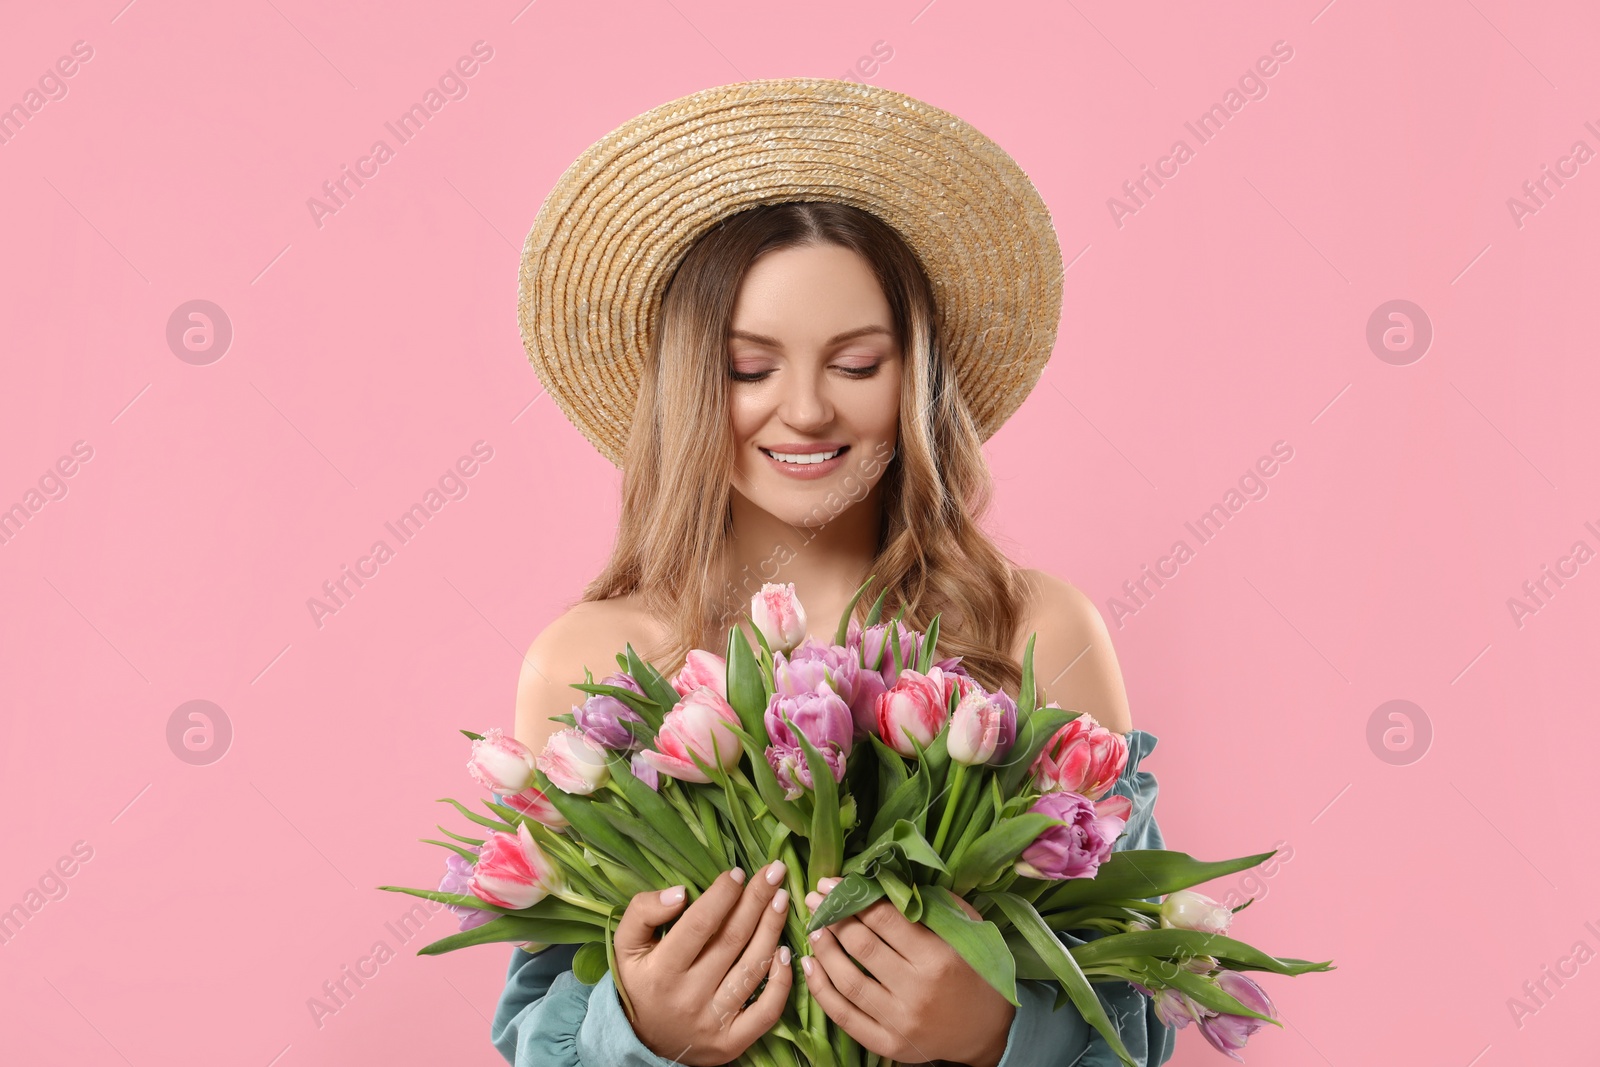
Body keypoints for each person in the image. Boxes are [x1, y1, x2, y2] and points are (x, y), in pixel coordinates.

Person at [491, 77, 1177, 1066]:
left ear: (917, 379)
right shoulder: (587, 660)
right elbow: (538, 1031)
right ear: (690, 383)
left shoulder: (1038, 632)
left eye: (857, 364)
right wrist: (641, 1028)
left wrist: (995, 1030)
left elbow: (1140, 998)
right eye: (747, 367)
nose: (806, 411)